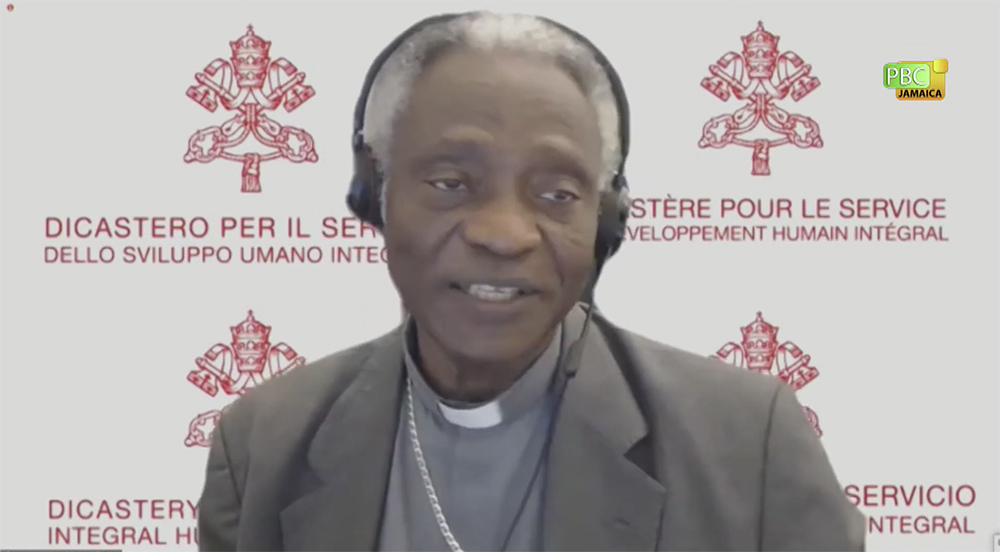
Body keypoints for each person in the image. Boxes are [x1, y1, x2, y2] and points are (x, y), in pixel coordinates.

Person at [198, 11, 865, 552]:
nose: (505, 233)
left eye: (556, 193)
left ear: (603, 223)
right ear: (375, 196)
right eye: (451, 183)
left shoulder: (752, 446)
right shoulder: (264, 443)